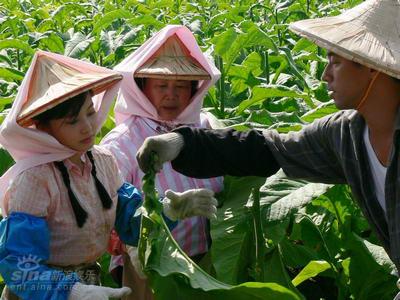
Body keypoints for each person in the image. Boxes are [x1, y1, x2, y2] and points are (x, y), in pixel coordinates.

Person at [136, 0, 400, 292]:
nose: (325, 74)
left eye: (336, 61)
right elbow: (271, 149)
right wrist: (183, 142)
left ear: (373, 68)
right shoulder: (346, 135)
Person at [0, 51, 217, 300]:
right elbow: (19, 267)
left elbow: (130, 221)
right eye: (72, 121)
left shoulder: (101, 161)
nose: (88, 126)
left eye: (90, 113)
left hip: (90, 283)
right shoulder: (35, 180)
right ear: (44, 128)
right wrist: (71, 292)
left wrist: (167, 210)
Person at [100, 25, 224, 299]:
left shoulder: (206, 129)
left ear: (194, 89)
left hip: (206, 260)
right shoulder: (123, 141)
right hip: (148, 266)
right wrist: (165, 211)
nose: (172, 94)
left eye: (181, 86)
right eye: (162, 85)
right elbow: (106, 206)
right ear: (143, 87)